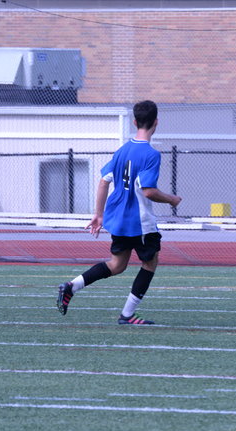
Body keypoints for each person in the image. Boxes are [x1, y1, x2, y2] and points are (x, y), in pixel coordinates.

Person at [55, 100, 182, 324]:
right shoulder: (151, 154)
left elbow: (104, 181)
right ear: (156, 122)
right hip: (139, 222)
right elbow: (148, 191)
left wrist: (99, 214)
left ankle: (71, 287)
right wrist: (172, 199)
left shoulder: (122, 150)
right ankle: (127, 315)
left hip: (119, 219)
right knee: (150, 263)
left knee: (117, 265)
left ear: (134, 122)